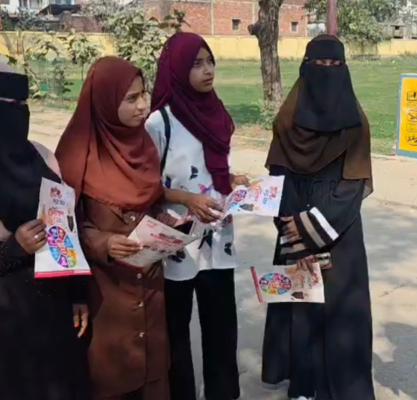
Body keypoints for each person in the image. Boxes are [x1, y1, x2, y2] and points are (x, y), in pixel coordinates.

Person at [262, 35, 375, 400]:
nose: (327, 72)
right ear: (305, 67)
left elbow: (352, 186)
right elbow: (278, 179)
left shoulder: (355, 124)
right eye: (319, 65)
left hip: (338, 229)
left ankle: (341, 390)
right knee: (302, 304)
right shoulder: (287, 120)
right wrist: (293, 232)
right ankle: (303, 386)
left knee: (341, 311)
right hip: (293, 222)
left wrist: (311, 232)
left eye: (335, 66)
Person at [55, 56, 171, 400]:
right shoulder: (76, 153)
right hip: (105, 295)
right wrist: (102, 242)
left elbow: (152, 200)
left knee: (153, 374)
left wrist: (167, 226)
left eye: (144, 94)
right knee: (112, 379)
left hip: (150, 285)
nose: (143, 105)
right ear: (105, 101)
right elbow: (61, 228)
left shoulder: (143, 146)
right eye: (131, 98)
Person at [145, 32, 245, 400]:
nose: (208, 70)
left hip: (217, 236)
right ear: (176, 69)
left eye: (210, 61)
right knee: (176, 329)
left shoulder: (217, 112)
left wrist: (232, 181)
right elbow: (145, 186)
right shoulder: (159, 123)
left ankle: (223, 393)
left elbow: (210, 168)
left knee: (222, 325)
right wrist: (186, 198)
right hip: (178, 240)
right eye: (196, 63)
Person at [0, 61, 90, 400]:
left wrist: (78, 293)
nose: (19, 112)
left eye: (24, 104)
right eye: (10, 104)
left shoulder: (42, 156)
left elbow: (67, 227)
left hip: (54, 303)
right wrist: (14, 248)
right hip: (10, 313)